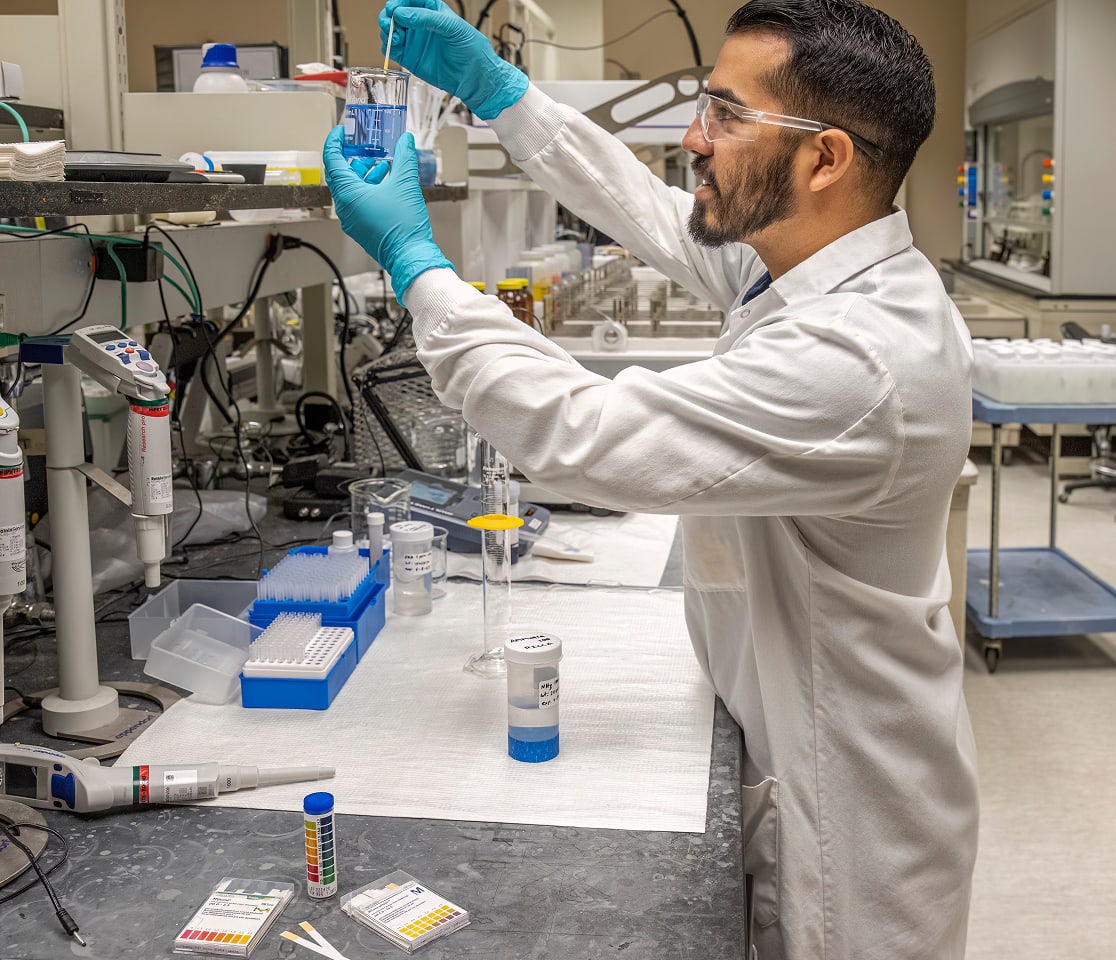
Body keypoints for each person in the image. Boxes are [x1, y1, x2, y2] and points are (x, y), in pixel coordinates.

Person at [323, 1, 979, 957]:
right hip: (797, 736)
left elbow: (584, 433)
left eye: (725, 114)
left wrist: (417, 268)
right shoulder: (812, 266)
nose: (692, 139)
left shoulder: (863, 357)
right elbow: (660, 215)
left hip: (853, 819)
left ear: (826, 159)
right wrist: (501, 95)